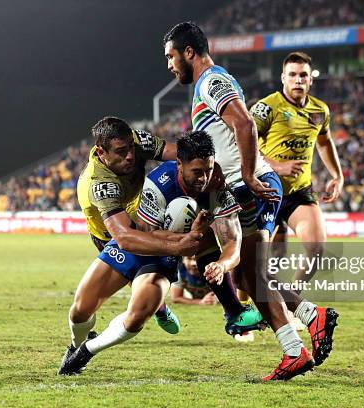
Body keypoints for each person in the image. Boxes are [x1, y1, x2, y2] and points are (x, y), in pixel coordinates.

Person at [163, 22, 333, 380]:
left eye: (171, 56)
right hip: (240, 188)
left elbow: (245, 123)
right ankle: (304, 322)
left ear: (188, 52)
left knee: (233, 265)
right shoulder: (207, 85)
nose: (169, 65)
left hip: (247, 188)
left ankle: (288, 340)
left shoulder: (211, 81)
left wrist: (251, 174)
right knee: (248, 273)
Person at [60, 130, 262, 375]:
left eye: (208, 169)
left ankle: (86, 351)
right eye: (197, 172)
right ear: (179, 165)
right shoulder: (159, 183)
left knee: (138, 315)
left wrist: (222, 264)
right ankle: (75, 344)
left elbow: (233, 244)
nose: (204, 178)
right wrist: (185, 240)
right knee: (81, 309)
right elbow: (148, 233)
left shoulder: (218, 189)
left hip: (163, 260)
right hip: (138, 244)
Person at [58, 116, 204, 375]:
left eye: (130, 149)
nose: (129, 156)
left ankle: (152, 304)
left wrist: (203, 168)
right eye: (121, 152)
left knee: (141, 304)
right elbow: (124, 238)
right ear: (101, 153)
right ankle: (76, 344)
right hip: (112, 235)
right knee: (81, 310)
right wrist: (179, 247)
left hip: (147, 223)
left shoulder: (136, 142)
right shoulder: (99, 183)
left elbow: (177, 154)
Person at [250, 51, 341, 361]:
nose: (298, 80)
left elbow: (325, 142)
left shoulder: (320, 111)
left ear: (311, 78)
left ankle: (295, 306)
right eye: (293, 74)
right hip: (265, 190)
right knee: (262, 267)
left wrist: (337, 175)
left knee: (316, 248)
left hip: (299, 192)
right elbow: (240, 144)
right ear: (283, 78)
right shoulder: (266, 109)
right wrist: (275, 165)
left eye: (303, 75)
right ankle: (256, 315)